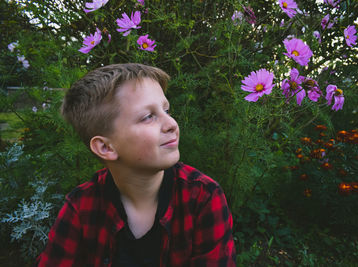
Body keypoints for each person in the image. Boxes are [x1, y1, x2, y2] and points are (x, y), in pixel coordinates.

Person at [36, 63, 236, 266]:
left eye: (167, 110)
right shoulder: (81, 207)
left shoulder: (202, 197)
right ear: (106, 147)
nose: (172, 124)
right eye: (148, 117)